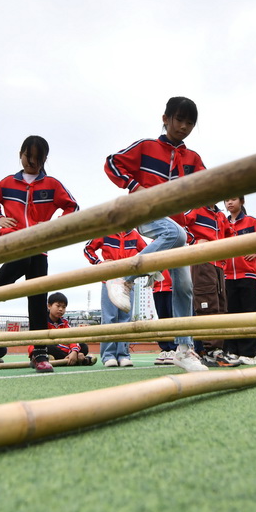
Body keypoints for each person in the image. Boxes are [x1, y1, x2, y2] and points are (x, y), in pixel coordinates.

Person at [103, 96, 209, 372]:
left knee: (185, 287)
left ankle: (184, 349)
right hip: (146, 213)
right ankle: (125, 279)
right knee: (175, 234)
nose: (183, 126)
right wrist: (135, 187)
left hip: (177, 228)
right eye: (179, 119)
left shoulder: (193, 159)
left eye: (190, 123)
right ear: (165, 119)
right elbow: (113, 162)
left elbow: (206, 185)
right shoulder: (147, 146)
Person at [0, 135, 79, 374]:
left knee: (37, 298)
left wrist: (55, 226)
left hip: (40, 246)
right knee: (23, 258)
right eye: (29, 156)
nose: (32, 162)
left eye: (38, 158)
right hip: (14, 240)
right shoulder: (7, 183)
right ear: (21, 154)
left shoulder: (52, 184)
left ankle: (39, 354)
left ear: (45, 159)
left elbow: (72, 207)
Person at [181, 203, 239, 367]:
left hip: (219, 265)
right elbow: (178, 224)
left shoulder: (220, 216)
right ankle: (211, 351)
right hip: (202, 261)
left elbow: (231, 234)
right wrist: (194, 241)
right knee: (207, 305)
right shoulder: (195, 208)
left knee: (221, 306)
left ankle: (219, 350)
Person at [83, 230, 145, 367]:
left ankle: (123, 355)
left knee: (126, 318)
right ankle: (108, 355)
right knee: (109, 318)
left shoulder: (135, 236)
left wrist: (139, 268)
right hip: (109, 281)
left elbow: (148, 252)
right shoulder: (106, 231)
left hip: (128, 282)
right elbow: (88, 248)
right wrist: (99, 263)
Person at [221, 196, 256, 364]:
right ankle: (233, 351)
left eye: (233, 199)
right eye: (227, 200)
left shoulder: (251, 221)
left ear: (242, 202)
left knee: (249, 314)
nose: (229, 202)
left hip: (248, 275)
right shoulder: (223, 223)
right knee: (232, 315)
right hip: (227, 276)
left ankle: (249, 353)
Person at [29, 292, 96, 366]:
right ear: (49, 306)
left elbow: (72, 337)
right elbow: (34, 343)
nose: (61, 309)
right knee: (47, 346)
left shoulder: (64, 322)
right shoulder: (41, 321)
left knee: (83, 346)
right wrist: (72, 352)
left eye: (63, 307)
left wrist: (74, 351)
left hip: (62, 348)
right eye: (58, 306)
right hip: (50, 348)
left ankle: (66, 359)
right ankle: (80, 360)